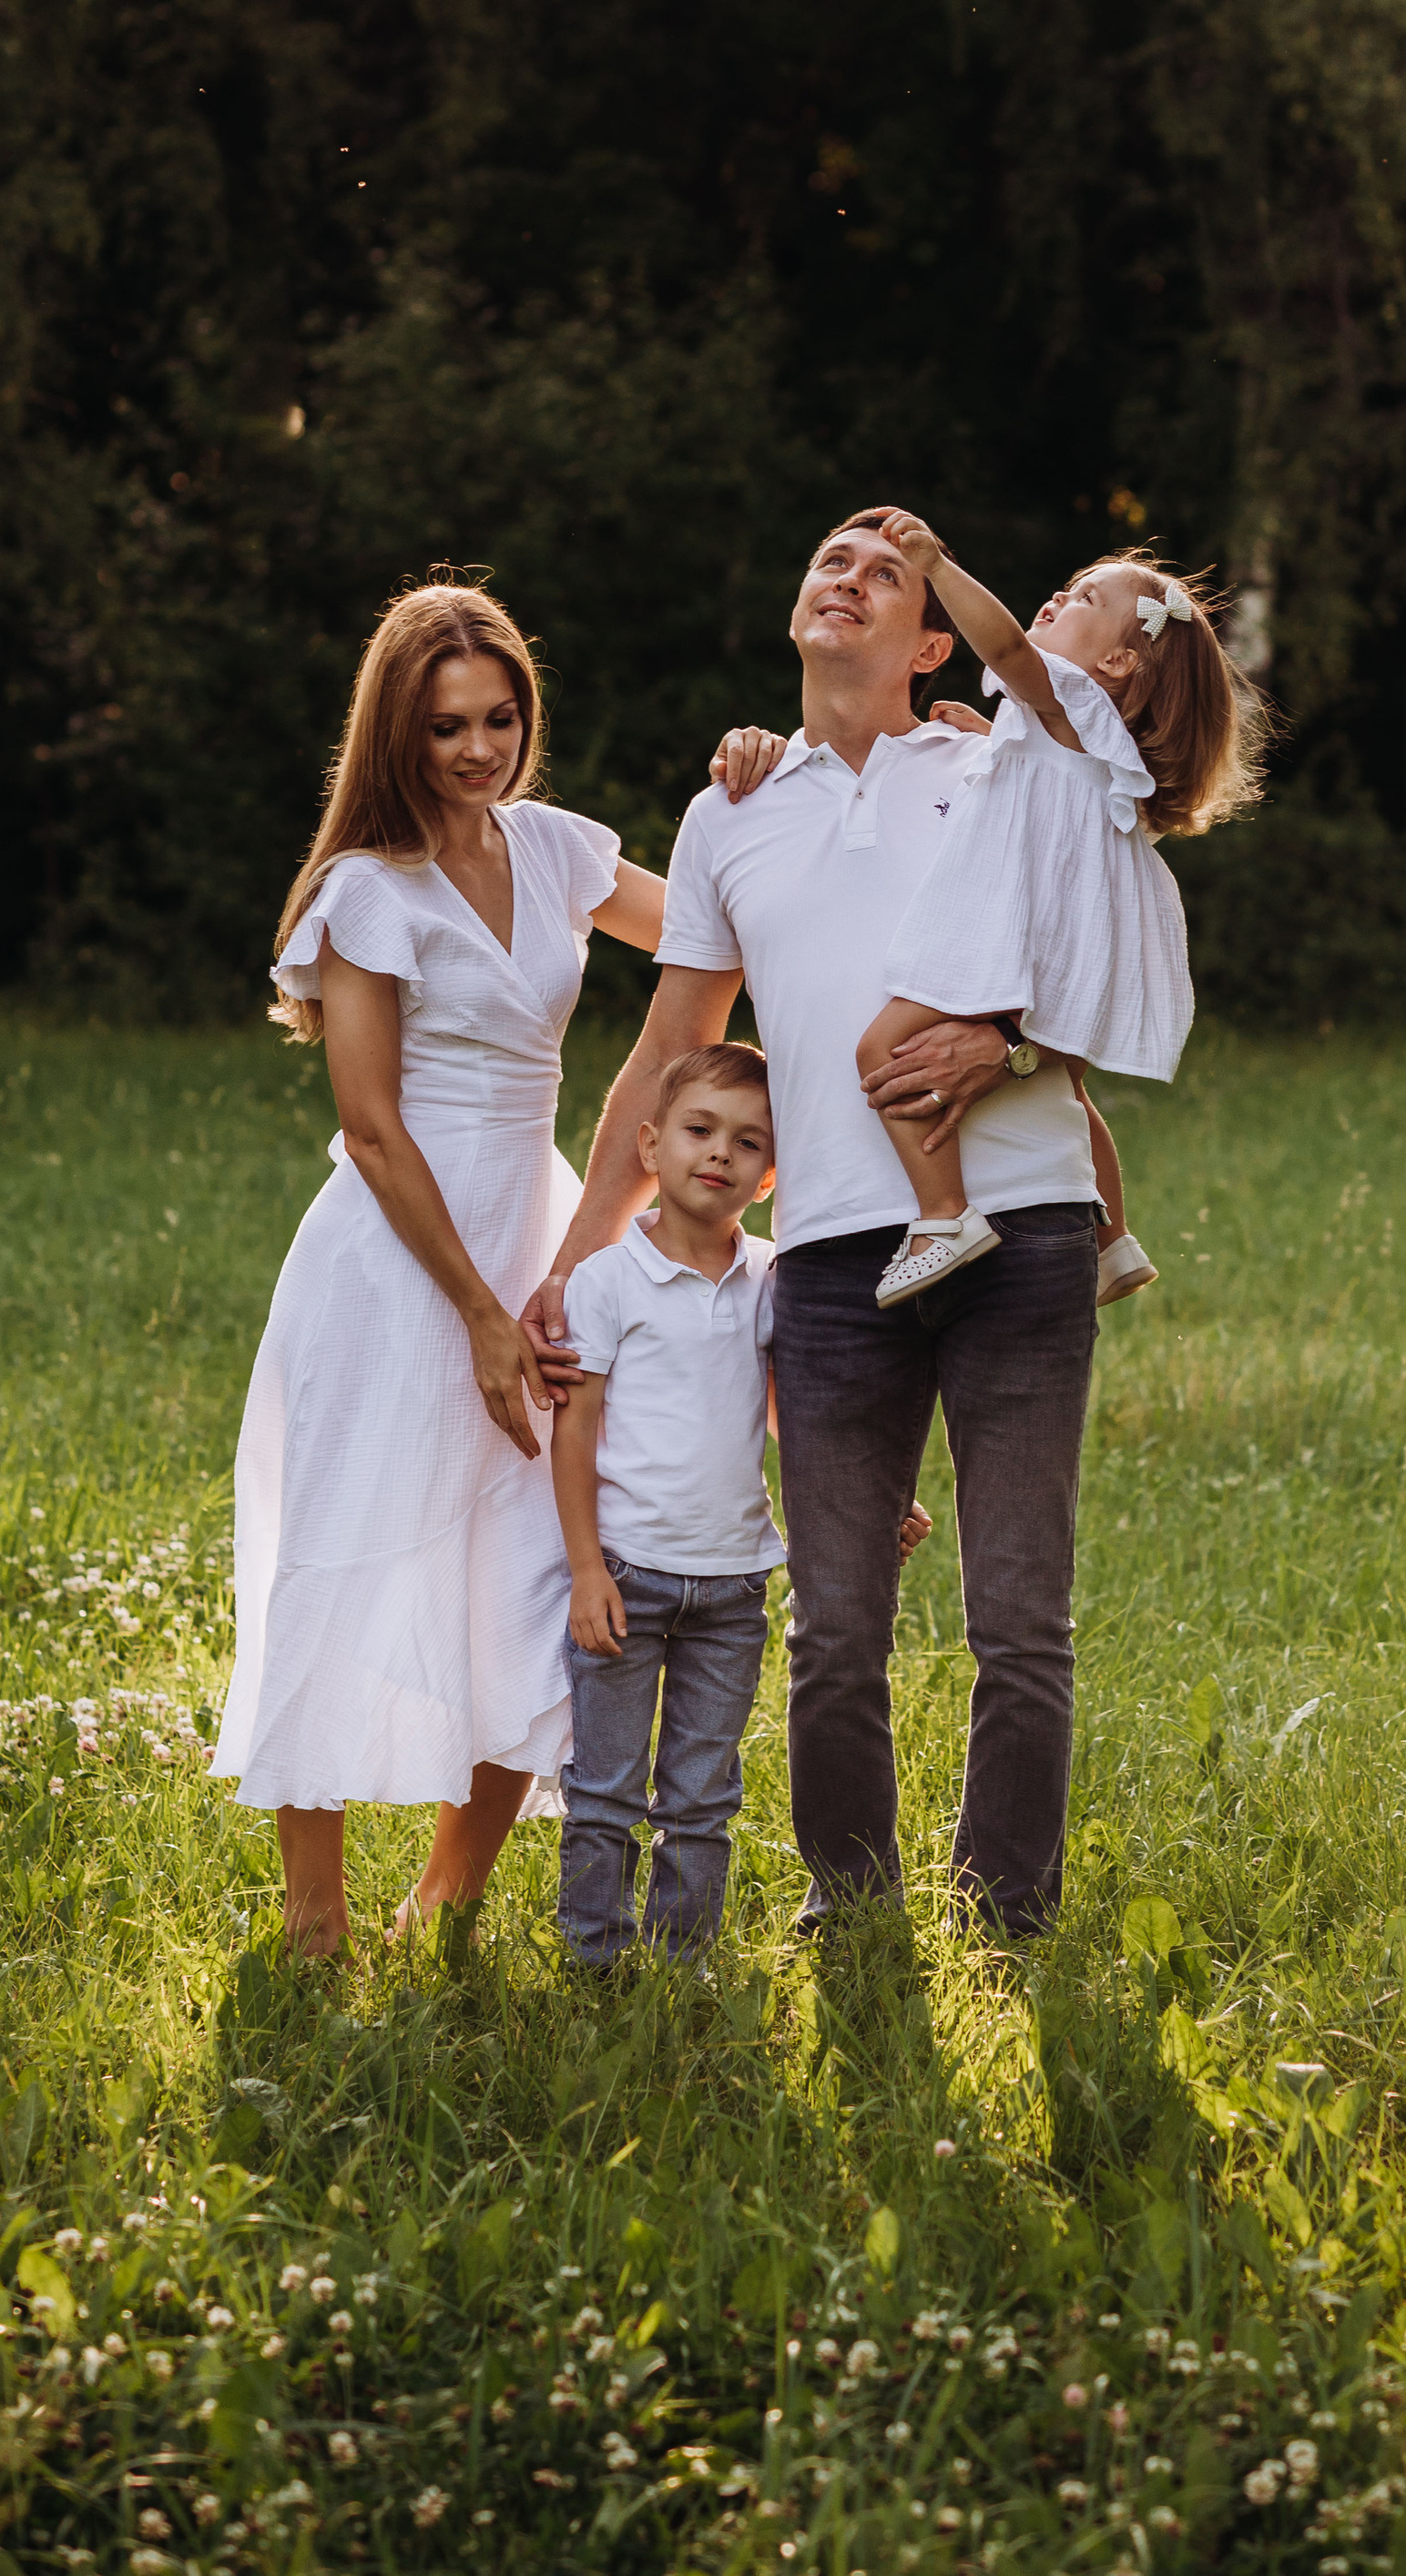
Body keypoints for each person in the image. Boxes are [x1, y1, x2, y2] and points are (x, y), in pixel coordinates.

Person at [535, 509, 1109, 1940]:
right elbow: (671, 1053)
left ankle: (1006, 1916)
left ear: (930, 640)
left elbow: (1107, 972)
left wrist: (1013, 1052)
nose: (845, 577)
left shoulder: (992, 769)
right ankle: (851, 1905)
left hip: (1021, 1224)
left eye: (884, 570)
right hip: (840, 1258)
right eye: (827, 560)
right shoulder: (732, 810)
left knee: (1018, 1618)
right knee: (837, 1625)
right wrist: (572, 1263)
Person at [212, 577, 671, 1960]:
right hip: (398, 1258)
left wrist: (773, 781)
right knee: (350, 1547)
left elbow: (729, 922)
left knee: (539, 1562)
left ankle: (449, 1900)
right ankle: (314, 1917)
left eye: (501, 716)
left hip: (541, 1227)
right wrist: (476, 1310)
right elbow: (369, 1123)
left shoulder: (566, 851)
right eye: (446, 727)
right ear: (396, 738)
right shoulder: (366, 890)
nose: (480, 747)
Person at [857, 512, 1263, 1307]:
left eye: (1080, 598)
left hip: (1020, 941)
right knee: (1066, 1093)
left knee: (880, 1047)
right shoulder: (1082, 734)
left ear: (1114, 660)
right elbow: (1037, 776)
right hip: (1073, 950)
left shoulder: (1066, 695)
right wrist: (990, 731)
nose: (1054, 597)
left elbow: (1007, 650)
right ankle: (1112, 1240)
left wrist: (938, 566)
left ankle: (943, 1216)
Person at [548, 1043, 785, 1963]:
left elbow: (783, 1415)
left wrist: (863, 1505)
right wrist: (582, 1571)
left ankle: (682, 1961)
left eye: (746, 1142)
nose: (718, 1153)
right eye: (698, 1130)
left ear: (767, 1177)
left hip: (732, 1587)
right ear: (650, 1145)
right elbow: (576, 1432)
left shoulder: (770, 1277)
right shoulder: (607, 1281)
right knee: (604, 1788)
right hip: (625, 1575)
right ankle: (593, 1961)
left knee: (701, 1796)